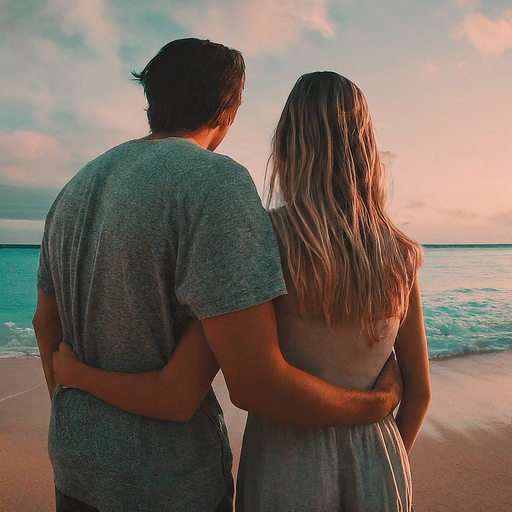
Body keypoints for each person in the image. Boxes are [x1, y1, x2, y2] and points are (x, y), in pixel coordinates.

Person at [34, 40, 402, 512]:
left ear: (153, 103)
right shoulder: (216, 183)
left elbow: (46, 323)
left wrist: (74, 408)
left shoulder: (74, 189)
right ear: (228, 112)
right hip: (168, 483)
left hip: (74, 471)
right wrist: (374, 405)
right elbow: (250, 383)